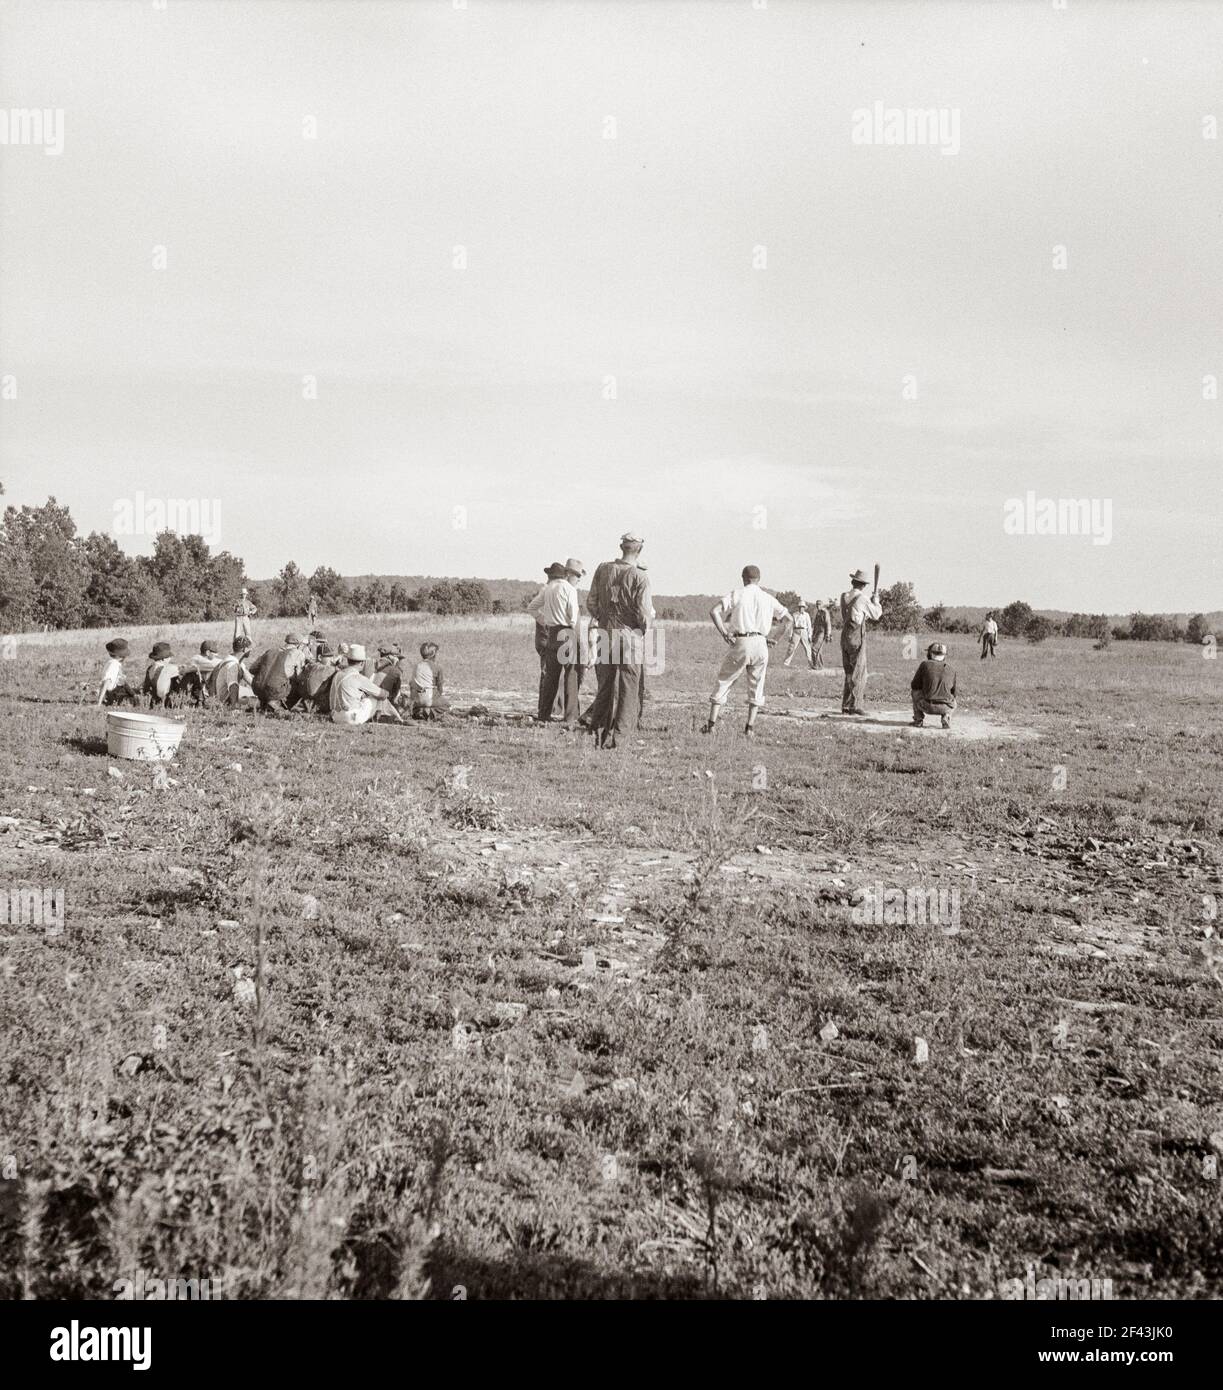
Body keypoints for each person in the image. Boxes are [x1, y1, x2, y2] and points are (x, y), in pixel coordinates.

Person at [702, 566, 792, 738]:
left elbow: (714, 611)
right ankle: (749, 728)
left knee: (725, 680)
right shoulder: (768, 598)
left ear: (743, 578)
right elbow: (788, 619)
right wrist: (775, 638)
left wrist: (724, 633)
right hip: (761, 643)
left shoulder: (738, 593)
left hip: (742, 640)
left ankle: (711, 725)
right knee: (757, 684)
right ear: (759, 579)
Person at [581, 531, 652, 748]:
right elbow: (643, 613)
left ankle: (598, 729)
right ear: (639, 550)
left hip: (605, 631)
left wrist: (604, 619)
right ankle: (620, 737)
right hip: (629, 634)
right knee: (629, 686)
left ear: (621, 547)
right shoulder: (640, 577)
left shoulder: (603, 569)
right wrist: (641, 629)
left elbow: (591, 602)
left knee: (605, 684)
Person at [527, 559, 582, 725]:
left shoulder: (548, 589)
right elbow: (573, 615)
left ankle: (544, 713)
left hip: (552, 633)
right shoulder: (569, 589)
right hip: (567, 632)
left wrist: (544, 621)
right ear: (565, 575)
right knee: (571, 675)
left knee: (551, 677)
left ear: (551, 575)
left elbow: (531, 607)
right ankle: (571, 716)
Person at [839, 569, 882, 715]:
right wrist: (876, 600)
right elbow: (876, 614)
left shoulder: (844, 596)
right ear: (863, 585)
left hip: (845, 636)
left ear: (853, 582)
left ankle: (846, 705)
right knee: (860, 672)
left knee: (849, 671)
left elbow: (855, 614)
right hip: (857, 636)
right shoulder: (863, 599)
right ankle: (855, 706)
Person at [329, 644, 398, 725]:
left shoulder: (338, 674)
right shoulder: (359, 678)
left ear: (348, 660)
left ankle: (393, 717)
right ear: (362, 663)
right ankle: (390, 717)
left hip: (335, 717)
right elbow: (383, 694)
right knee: (377, 697)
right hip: (351, 718)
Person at [250, 633, 310, 712]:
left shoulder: (270, 651)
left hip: (257, 689)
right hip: (275, 690)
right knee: (300, 684)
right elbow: (299, 677)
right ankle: (280, 705)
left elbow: (252, 669)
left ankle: (265, 702)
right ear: (299, 645)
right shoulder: (298, 654)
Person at [911, 642, 957, 728]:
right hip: (946, 707)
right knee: (953, 701)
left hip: (926, 705)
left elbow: (914, 685)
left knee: (914, 692)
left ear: (931, 653)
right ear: (944, 655)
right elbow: (954, 693)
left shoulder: (925, 665)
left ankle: (918, 719)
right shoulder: (952, 669)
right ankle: (946, 717)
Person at [97, 638, 140, 707]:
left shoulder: (111, 662)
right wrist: (99, 703)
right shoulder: (114, 665)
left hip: (112, 693)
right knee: (137, 699)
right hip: (114, 694)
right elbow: (106, 682)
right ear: (123, 656)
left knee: (136, 692)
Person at [410, 642, 445, 719]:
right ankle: (431, 712)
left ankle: (420, 710)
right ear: (433, 653)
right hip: (428, 699)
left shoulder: (416, 666)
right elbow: (440, 689)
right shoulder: (437, 667)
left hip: (416, 700)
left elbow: (411, 684)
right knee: (446, 705)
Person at [143, 642, 179, 708]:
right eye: (169, 657)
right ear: (164, 658)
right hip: (166, 701)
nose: (170, 658)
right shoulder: (169, 668)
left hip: (152, 701)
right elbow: (182, 671)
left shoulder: (150, 668)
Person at [782, 597, 815, 668]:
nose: (801, 608)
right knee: (791, 648)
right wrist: (790, 635)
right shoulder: (794, 614)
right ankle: (786, 663)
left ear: (804, 608)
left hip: (804, 631)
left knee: (808, 648)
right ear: (798, 607)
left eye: (802, 607)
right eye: (800, 607)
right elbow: (792, 625)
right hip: (796, 631)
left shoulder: (807, 615)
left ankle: (811, 663)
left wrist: (810, 635)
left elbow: (809, 626)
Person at [811, 599, 833, 670]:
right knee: (819, 650)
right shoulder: (818, 612)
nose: (818, 605)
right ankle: (819, 665)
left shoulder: (824, 612)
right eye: (817, 604)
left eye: (819, 604)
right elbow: (815, 625)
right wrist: (813, 635)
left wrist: (828, 635)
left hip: (822, 632)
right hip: (817, 632)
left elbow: (828, 623)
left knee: (814, 648)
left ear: (822, 605)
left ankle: (816, 665)